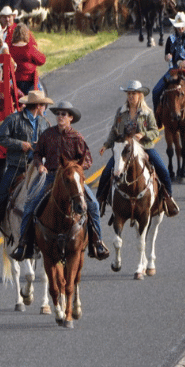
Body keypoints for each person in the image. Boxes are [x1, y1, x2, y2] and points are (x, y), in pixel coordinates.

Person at [9, 101, 111, 262]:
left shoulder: (77, 137)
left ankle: (97, 242)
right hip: (51, 176)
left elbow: (88, 160)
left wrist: (75, 167)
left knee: (93, 205)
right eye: (58, 114)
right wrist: (40, 165)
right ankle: (23, 244)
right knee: (30, 204)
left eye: (64, 114)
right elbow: (37, 154)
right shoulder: (47, 135)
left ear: (70, 118)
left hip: (71, 179)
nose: (60, 117)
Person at [0, 90, 52, 249]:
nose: (45, 107)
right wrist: (20, 144)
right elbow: (0, 138)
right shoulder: (13, 119)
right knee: (0, 198)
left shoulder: (45, 123)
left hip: (38, 167)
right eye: (44, 105)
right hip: (17, 167)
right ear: (37, 106)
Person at [95, 81, 179, 217]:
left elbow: (155, 131)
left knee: (163, 170)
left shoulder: (147, 112)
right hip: (124, 149)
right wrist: (106, 145)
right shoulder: (121, 112)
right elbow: (114, 131)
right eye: (129, 94)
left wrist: (144, 134)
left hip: (144, 148)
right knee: (106, 173)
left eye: (133, 94)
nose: (130, 96)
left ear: (140, 95)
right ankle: (100, 202)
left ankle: (168, 199)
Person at [9, 23, 46, 96]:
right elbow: (42, 60)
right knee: (42, 94)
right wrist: (38, 51)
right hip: (29, 81)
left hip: (14, 82)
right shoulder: (29, 48)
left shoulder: (10, 48)